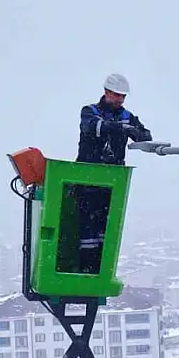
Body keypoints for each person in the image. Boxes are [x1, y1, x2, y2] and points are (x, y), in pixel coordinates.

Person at [73, 73, 152, 272]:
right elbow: (92, 127)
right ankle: (85, 269)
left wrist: (135, 132)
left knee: (104, 230)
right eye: (117, 95)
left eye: (123, 97)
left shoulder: (127, 117)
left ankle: (100, 269)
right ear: (106, 92)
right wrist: (118, 128)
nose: (120, 100)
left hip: (111, 182)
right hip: (88, 180)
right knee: (87, 230)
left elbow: (146, 135)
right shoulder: (90, 112)